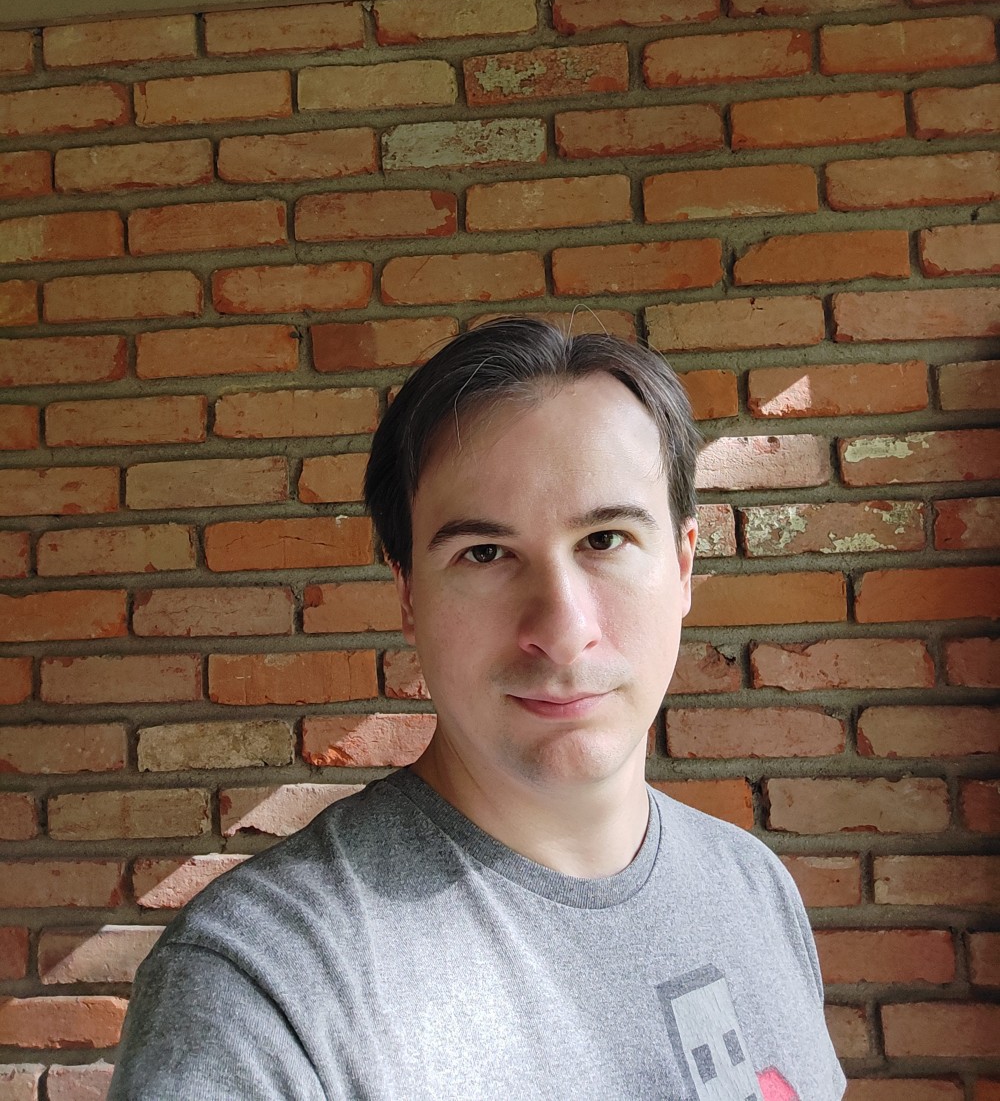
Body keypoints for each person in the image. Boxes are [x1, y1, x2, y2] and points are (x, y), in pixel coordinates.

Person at [108, 317, 846, 1100]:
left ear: (685, 562)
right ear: (408, 596)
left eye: (605, 539)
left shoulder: (754, 889)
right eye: (485, 554)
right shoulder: (264, 988)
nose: (562, 632)